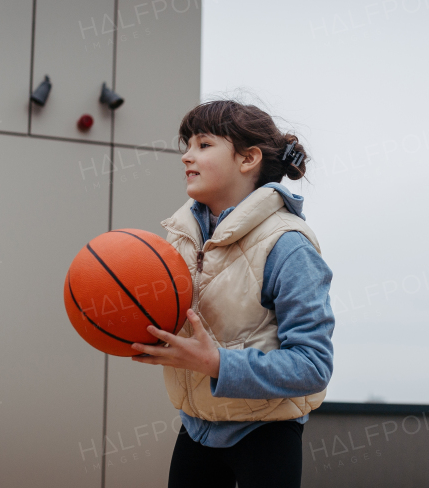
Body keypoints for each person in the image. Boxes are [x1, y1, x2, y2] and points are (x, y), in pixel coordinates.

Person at [127, 99, 335, 488]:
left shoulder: (288, 246)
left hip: (265, 436)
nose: (187, 156)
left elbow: (313, 366)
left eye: (203, 145)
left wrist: (217, 364)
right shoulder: (180, 237)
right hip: (195, 430)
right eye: (186, 145)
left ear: (248, 159)